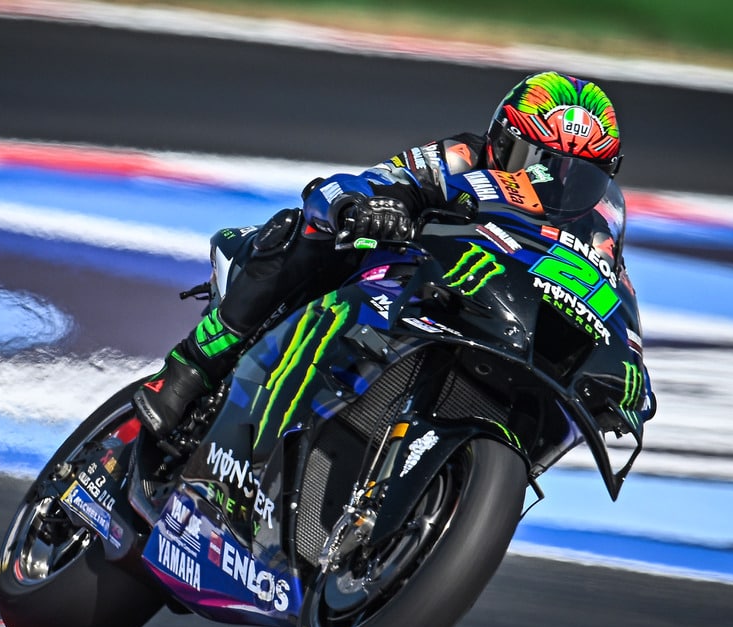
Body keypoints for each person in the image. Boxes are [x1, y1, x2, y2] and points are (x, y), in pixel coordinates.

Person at [133, 70, 647, 437]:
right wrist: (371, 205)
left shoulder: (598, 232)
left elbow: (619, 310)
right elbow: (368, 182)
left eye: (577, 177)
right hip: (407, 276)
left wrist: (630, 378)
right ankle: (188, 369)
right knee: (305, 228)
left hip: (496, 317)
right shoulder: (461, 157)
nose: (549, 187)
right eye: (531, 161)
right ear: (498, 141)